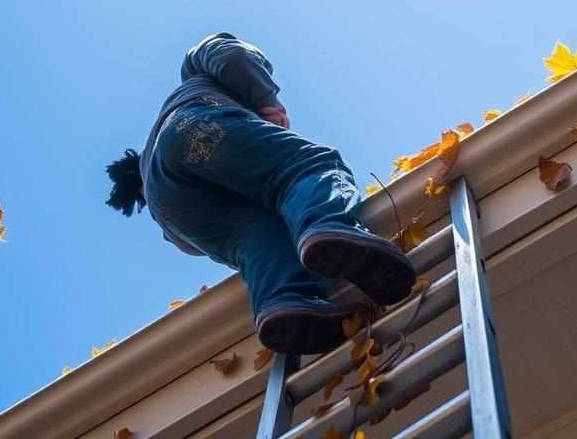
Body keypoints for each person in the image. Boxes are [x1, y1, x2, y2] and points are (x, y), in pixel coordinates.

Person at [104, 32, 415, 354]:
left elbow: (193, 245)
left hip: (172, 215)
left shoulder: (151, 175)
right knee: (306, 167)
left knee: (261, 239)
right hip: (192, 127)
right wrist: (268, 103)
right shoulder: (196, 69)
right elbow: (231, 55)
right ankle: (330, 226)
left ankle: (285, 303)